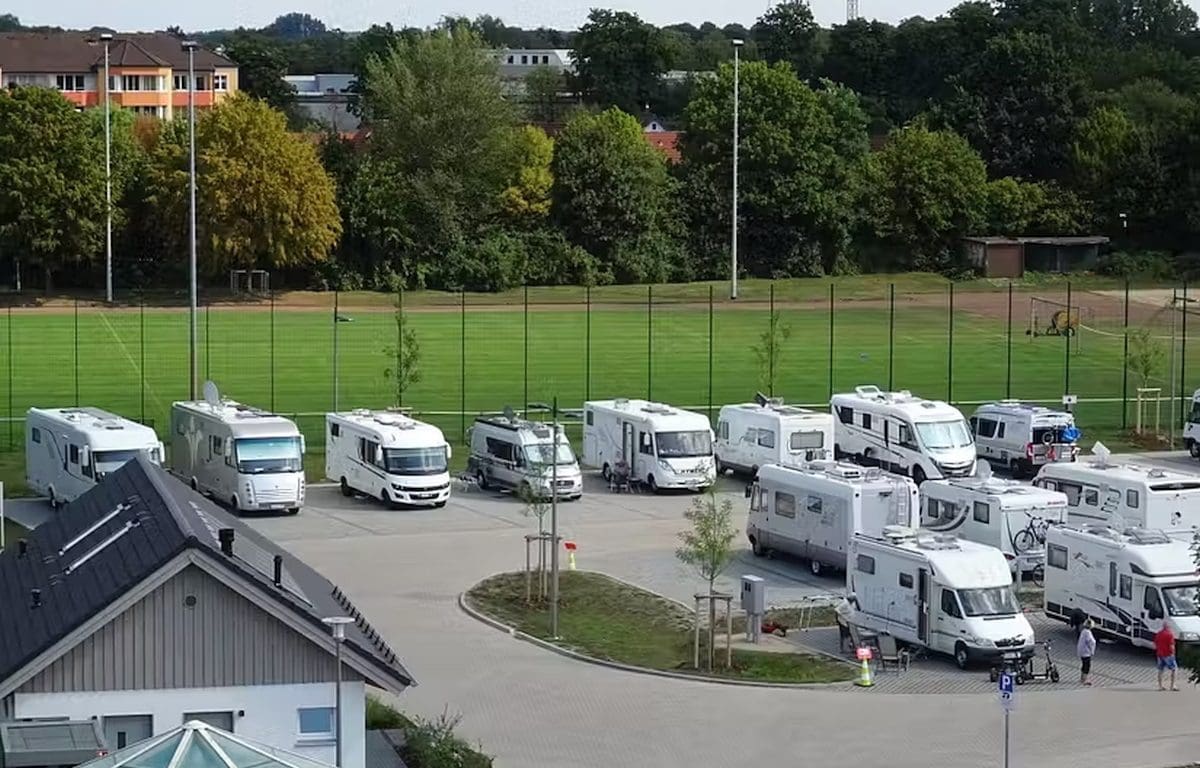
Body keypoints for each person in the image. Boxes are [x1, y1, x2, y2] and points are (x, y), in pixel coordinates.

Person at [1155, 623, 1178, 691]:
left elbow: (1155, 643)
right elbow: (1171, 645)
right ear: (1169, 627)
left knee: (1160, 670)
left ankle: (1160, 686)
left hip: (1160, 654)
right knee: (1174, 669)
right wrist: (1173, 653)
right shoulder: (1170, 634)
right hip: (1168, 654)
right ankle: (1172, 685)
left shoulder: (1158, 634)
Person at [1077, 618, 1096, 686]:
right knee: (1087, 665)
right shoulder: (1088, 632)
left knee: (1083, 664)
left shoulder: (1083, 631)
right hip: (1086, 652)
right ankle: (1084, 679)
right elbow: (1091, 641)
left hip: (1081, 651)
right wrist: (1092, 651)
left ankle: (1082, 678)